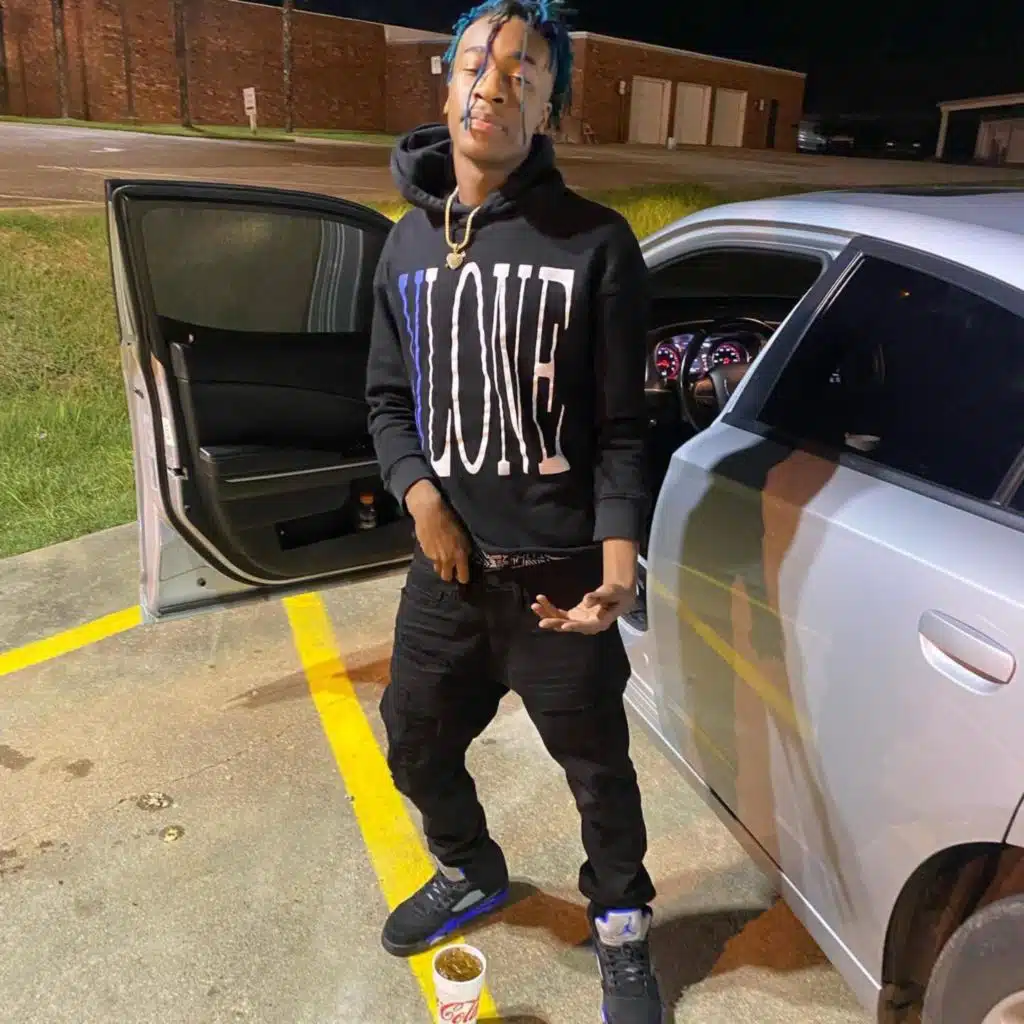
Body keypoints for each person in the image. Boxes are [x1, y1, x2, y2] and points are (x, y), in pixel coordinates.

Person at [366, 2, 661, 1020]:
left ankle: (620, 925)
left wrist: (615, 572)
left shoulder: (597, 244)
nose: (493, 84)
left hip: (561, 581)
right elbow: (387, 402)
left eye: (522, 73)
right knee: (410, 741)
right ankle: (468, 866)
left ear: (549, 110)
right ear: (445, 84)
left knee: (598, 777)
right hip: (446, 578)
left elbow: (622, 429)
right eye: (475, 66)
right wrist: (422, 501)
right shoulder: (405, 244)